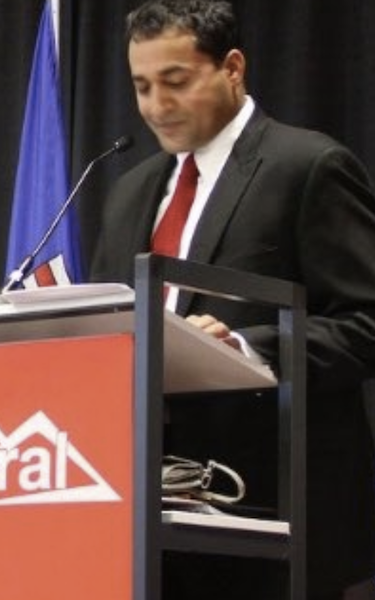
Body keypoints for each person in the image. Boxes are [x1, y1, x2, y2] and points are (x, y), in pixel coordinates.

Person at [90, 1, 375, 598]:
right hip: (149, 514)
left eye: (175, 81)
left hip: (274, 512)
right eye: (141, 86)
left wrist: (245, 348)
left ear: (233, 68)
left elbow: (364, 324)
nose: (155, 107)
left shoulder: (308, 166)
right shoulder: (130, 192)